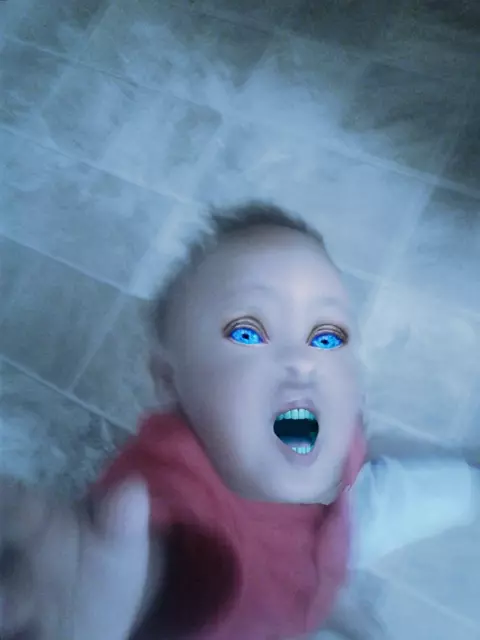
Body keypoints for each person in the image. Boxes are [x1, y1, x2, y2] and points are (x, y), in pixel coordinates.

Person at [0, 202, 478, 640]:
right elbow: (149, 563)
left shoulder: (315, 419)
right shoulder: (163, 487)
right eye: (248, 332)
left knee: (455, 491)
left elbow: (362, 444)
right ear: (170, 380)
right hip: (261, 620)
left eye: (327, 336)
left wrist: (442, 457)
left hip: (344, 526)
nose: (303, 360)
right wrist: (126, 596)